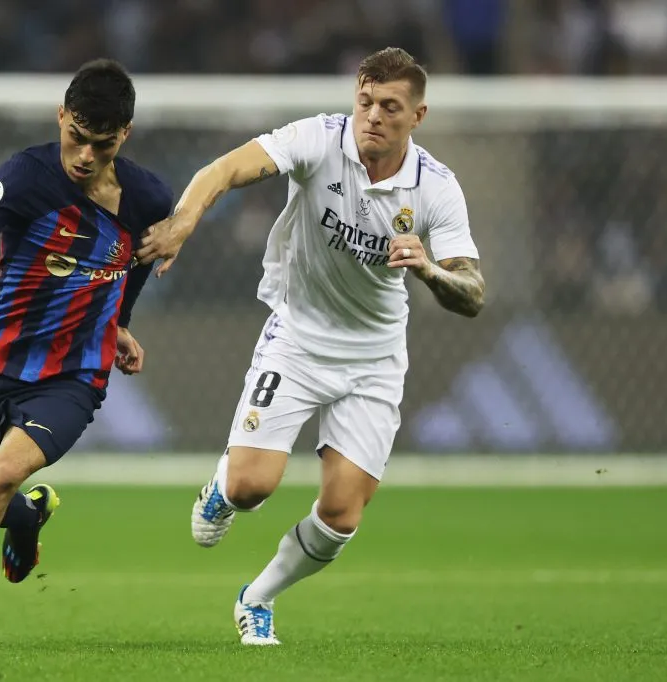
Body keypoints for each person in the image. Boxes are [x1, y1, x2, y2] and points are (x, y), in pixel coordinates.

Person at [136, 47, 486, 645]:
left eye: (390, 107)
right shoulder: (319, 141)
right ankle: (222, 489)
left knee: (342, 514)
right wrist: (185, 221)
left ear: (418, 116)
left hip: (374, 359)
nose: (373, 116)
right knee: (252, 488)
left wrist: (427, 270)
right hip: (297, 338)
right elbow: (222, 169)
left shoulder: (436, 189)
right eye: (366, 101)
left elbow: (472, 292)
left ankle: (258, 598)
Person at [0, 58, 173, 589]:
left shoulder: (149, 199)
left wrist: (118, 322)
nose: (86, 156)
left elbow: (134, 266)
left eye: (103, 145)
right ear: (60, 118)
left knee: (0, 475)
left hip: (73, 376)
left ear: (125, 135)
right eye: (77, 138)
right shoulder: (24, 175)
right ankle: (26, 516)